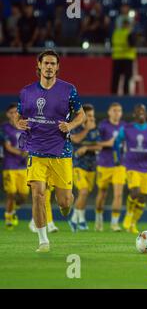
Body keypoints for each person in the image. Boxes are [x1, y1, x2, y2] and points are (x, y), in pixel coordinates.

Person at [14, 49, 85, 252]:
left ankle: (65, 204)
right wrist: (18, 123)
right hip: (35, 151)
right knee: (38, 194)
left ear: (57, 67)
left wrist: (70, 126)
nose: (49, 67)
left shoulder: (68, 90)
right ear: (39, 65)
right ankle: (43, 240)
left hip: (61, 152)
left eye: (53, 63)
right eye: (46, 63)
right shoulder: (26, 92)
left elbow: (81, 115)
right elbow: (18, 116)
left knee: (64, 202)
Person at [106, 104, 147, 234]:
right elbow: (116, 143)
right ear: (134, 114)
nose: (141, 113)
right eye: (138, 111)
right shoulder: (126, 129)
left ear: (146, 114)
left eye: (143, 111)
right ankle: (128, 215)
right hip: (131, 166)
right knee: (135, 192)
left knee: (143, 198)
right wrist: (117, 158)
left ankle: (133, 223)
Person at [67, 104, 101, 232]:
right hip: (77, 165)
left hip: (91, 167)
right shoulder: (74, 127)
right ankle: (74, 218)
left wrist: (87, 148)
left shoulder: (95, 130)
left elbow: (99, 146)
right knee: (84, 191)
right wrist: (87, 129)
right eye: (89, 116)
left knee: (84, 194)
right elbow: (75, 139)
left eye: (93, 116)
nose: (92, 118)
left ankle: (80, 219)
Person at [95, 102, 126, 232]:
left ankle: (114, 223)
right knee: (102, 193)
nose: (116, 113)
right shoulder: (103, 126)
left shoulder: (125, 126)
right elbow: (96, 143)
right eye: (114, 110)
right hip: (104, 164)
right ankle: (99, 218)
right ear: (109, 112)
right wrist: (110, 143)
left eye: (119, 111)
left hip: (119, 165)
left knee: (118, 194)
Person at [2, 103, 28, 230]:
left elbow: (30, 142)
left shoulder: (24, 126)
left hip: (23, 166)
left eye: (15, 112)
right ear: (7, 115)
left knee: (23, 195)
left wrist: (27, 151)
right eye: (11, 112)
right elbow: (7, 146)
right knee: (11, 193)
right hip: (10, 165)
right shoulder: (5, 128)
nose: (13, 115)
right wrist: (21, 152)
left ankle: (13, 209)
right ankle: (9, 217)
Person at [111, 19, 137, 96]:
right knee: (127, 77)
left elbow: (113, 43)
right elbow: (132, 44)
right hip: (127, 57)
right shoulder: (129, 33)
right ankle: (126, 94)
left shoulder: (116, 33)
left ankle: (113, 94)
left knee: (116, 78)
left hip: (117, 57)